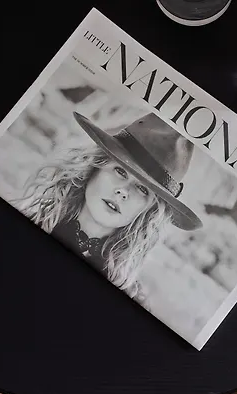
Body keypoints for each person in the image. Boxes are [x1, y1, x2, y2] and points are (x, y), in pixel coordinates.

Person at [14, 111, 202, 301]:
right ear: (94, 167)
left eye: (142, 189)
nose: (123, 191)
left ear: (148, 211)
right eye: (120, 171)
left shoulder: (128, 296)